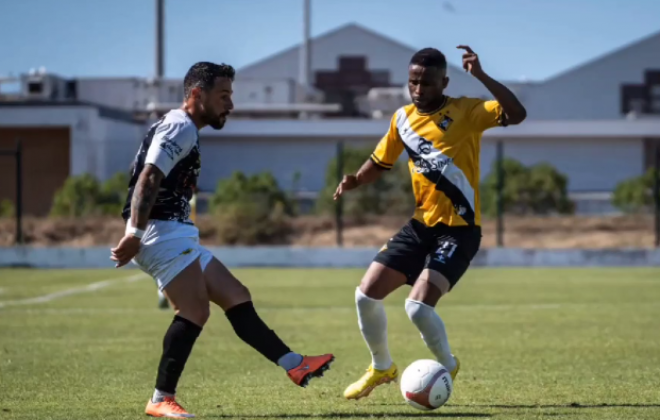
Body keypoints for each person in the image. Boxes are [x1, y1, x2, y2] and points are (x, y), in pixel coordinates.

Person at [111, 61, 334, 418]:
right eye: (223, 96)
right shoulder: (179, 126)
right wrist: (135, 234)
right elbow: (148, 178)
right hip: (160, 232)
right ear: (197, 94)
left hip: (175, 230)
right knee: (195, 311)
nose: (230, 104)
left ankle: (295, 363)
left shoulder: (183, 128)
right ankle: (160, 398)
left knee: (235, 295)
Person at [335, 46, 526, 400]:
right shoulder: (402, 119)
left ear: (444, 82)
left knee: (417, 307)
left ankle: (447, 365)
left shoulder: (467, 111)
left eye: (426, 83)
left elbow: (516, 113)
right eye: (413, 82)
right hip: (420, 226)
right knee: (365, 296)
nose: (418, 90)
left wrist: (482, 76)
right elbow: (380, 162)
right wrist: (355, 180)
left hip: (460, 229)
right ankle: (381, 367)